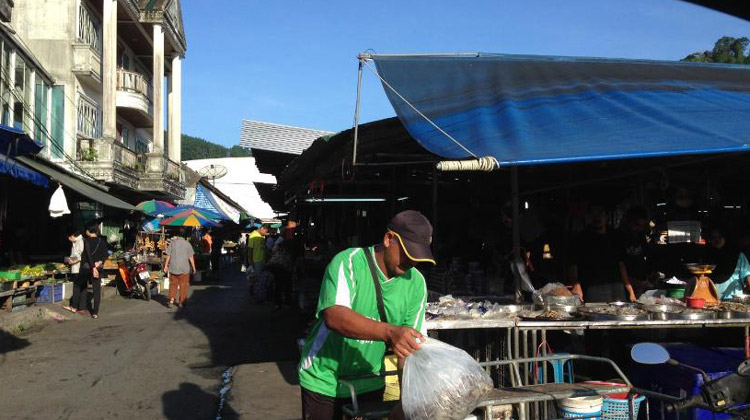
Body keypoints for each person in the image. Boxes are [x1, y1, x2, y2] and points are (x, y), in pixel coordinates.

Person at [298, 210, 435, 420]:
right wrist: (391, 332)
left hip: (369, 379)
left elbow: (408, 350)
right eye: (408, 253)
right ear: (389, 239)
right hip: (324, 379)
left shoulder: (416, 283)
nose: (411, 262)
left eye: (417, 257)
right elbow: (335, 316)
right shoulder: (349, 262)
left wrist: (406, 401)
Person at [570, 204, 633, 303]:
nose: (597, 217)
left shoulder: (615, 237)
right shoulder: (580, 239)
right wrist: (576, 284)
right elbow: (573, 265)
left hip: (617, 290)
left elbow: (621, 265)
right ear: (588, 217)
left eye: (600, 213)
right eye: (593, 214)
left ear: (606, 216)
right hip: (592, 291)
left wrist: (629, 289)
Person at [703, 227, 750, 300]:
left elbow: (747, 275)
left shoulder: (737, 256)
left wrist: (748, 284)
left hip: (733, 299)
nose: (717, 239)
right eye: (713, 237)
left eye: (720, 236)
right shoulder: (706, 256)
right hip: (711, 300)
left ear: (726, 238)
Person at [164, 228, 196, 308]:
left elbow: (168, 255)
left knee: (173, 284)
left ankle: (171, 300)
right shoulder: (187, 244)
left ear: (177, 235)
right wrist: (194, 267)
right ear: (185, 235)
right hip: (184, 268)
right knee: (183, 285)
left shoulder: (172, 243)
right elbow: (191, 257)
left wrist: (165, 265)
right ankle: (181, 303)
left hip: (173, 267)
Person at [81, 225, 108, 319]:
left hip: (88, 267)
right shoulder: (102, 241)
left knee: (83, 287)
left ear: (89, 231)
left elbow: (88, 255)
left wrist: (93, 267)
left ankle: (82, 307)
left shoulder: (87, 241)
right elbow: (105, 254)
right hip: (98, 267)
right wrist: (100, 262)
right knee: (97, 290)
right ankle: (95, 312)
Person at [62, 230, 86, 314]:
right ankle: (82, 308)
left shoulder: (80, 241)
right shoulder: (78, 241)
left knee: (76, 287)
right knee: (83, 288)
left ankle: (74, 307)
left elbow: (81, 256)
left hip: (78, 269)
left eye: (69, 238)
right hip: (80, 268)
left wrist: (72, 261)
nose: (69, 239)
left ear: (72, 235)